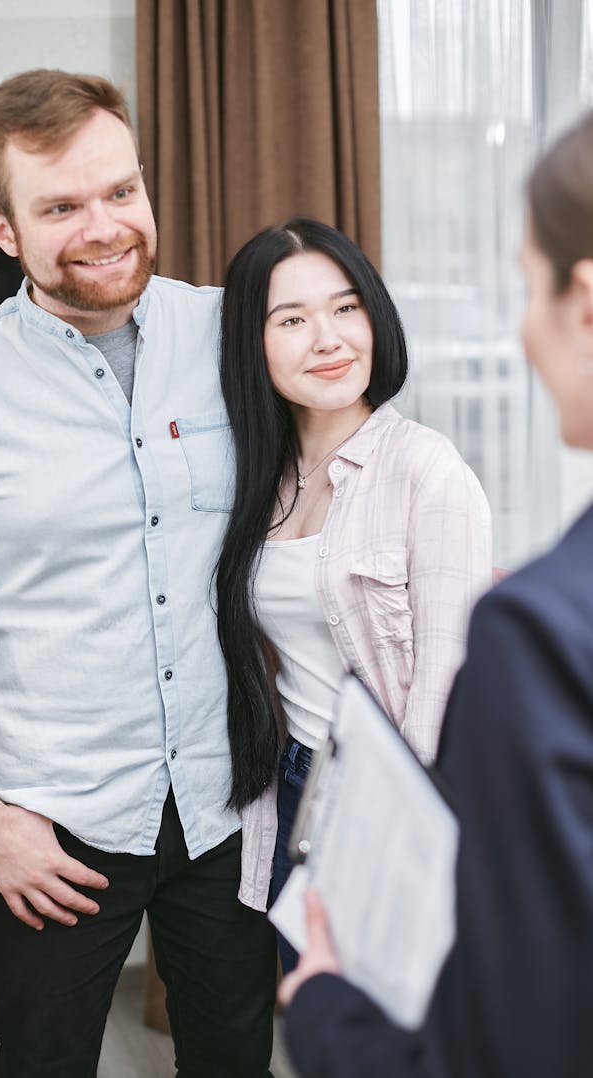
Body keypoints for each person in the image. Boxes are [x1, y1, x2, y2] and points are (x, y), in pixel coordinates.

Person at [0, 69, 277, 1078]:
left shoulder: (232, 334)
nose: (105, 226)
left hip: (226, 809)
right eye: (63, 207)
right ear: (4, 230)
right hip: (54, 837)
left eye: (121, 192)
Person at [278, 110, 593, 1077]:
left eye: (522, 283)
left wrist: (325, 1014)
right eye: (289, 317)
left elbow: (500, 1045)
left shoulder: (539, 633)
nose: (519, 328)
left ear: (582, 304)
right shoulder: (261, 480)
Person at [216, 217, 493, 970]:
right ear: (253, 342)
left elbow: (446, 690)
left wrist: (401, 848)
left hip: (385, 801)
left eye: (346, 308)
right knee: (319, 1028)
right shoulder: (258, 478)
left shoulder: (427, 473)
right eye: (292, 319)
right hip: (292, 788)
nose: (329, 339)